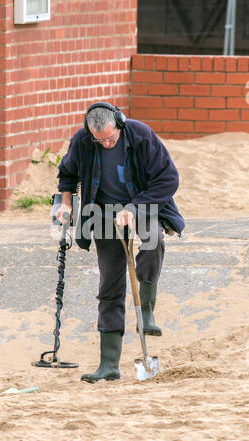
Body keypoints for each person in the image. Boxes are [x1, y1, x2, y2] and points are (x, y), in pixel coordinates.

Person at [55, 102, 185, 383]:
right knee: (110, 284)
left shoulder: (141, 135)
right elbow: (67, 174)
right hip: (101, 212)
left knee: (153, 241)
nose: (105, 143)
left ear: (119, 122)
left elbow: (168, 179)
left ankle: (146, 310)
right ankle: (109, 364)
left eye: (110, 138)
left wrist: (134, 208)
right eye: (99, 140)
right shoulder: (83, 140)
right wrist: (65, 204)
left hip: (142, 203)